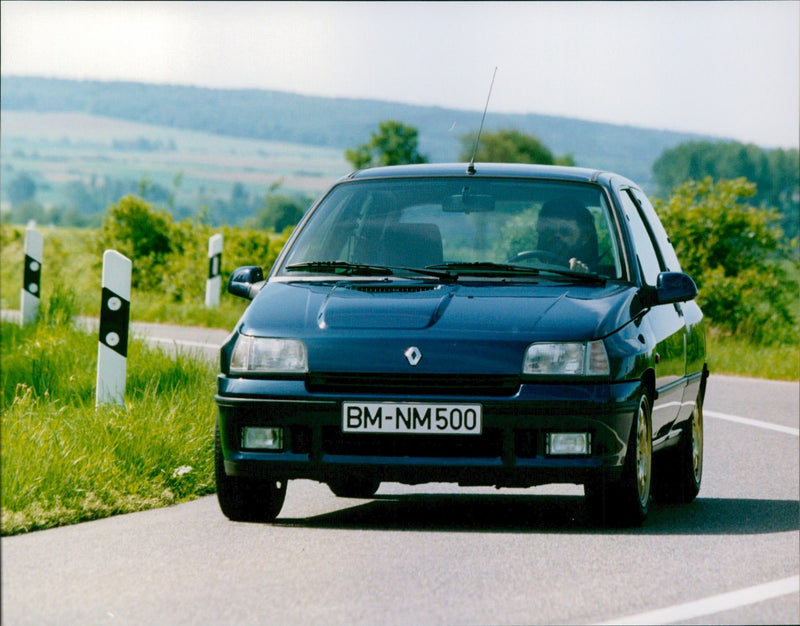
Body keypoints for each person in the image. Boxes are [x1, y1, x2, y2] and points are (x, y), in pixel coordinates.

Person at [536, 197, 599, 272]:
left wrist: (582, 275)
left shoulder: (599, 280)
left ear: (584, 236)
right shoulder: (524, 270)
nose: (556, 237)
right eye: (548, 232)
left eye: (565, 232)